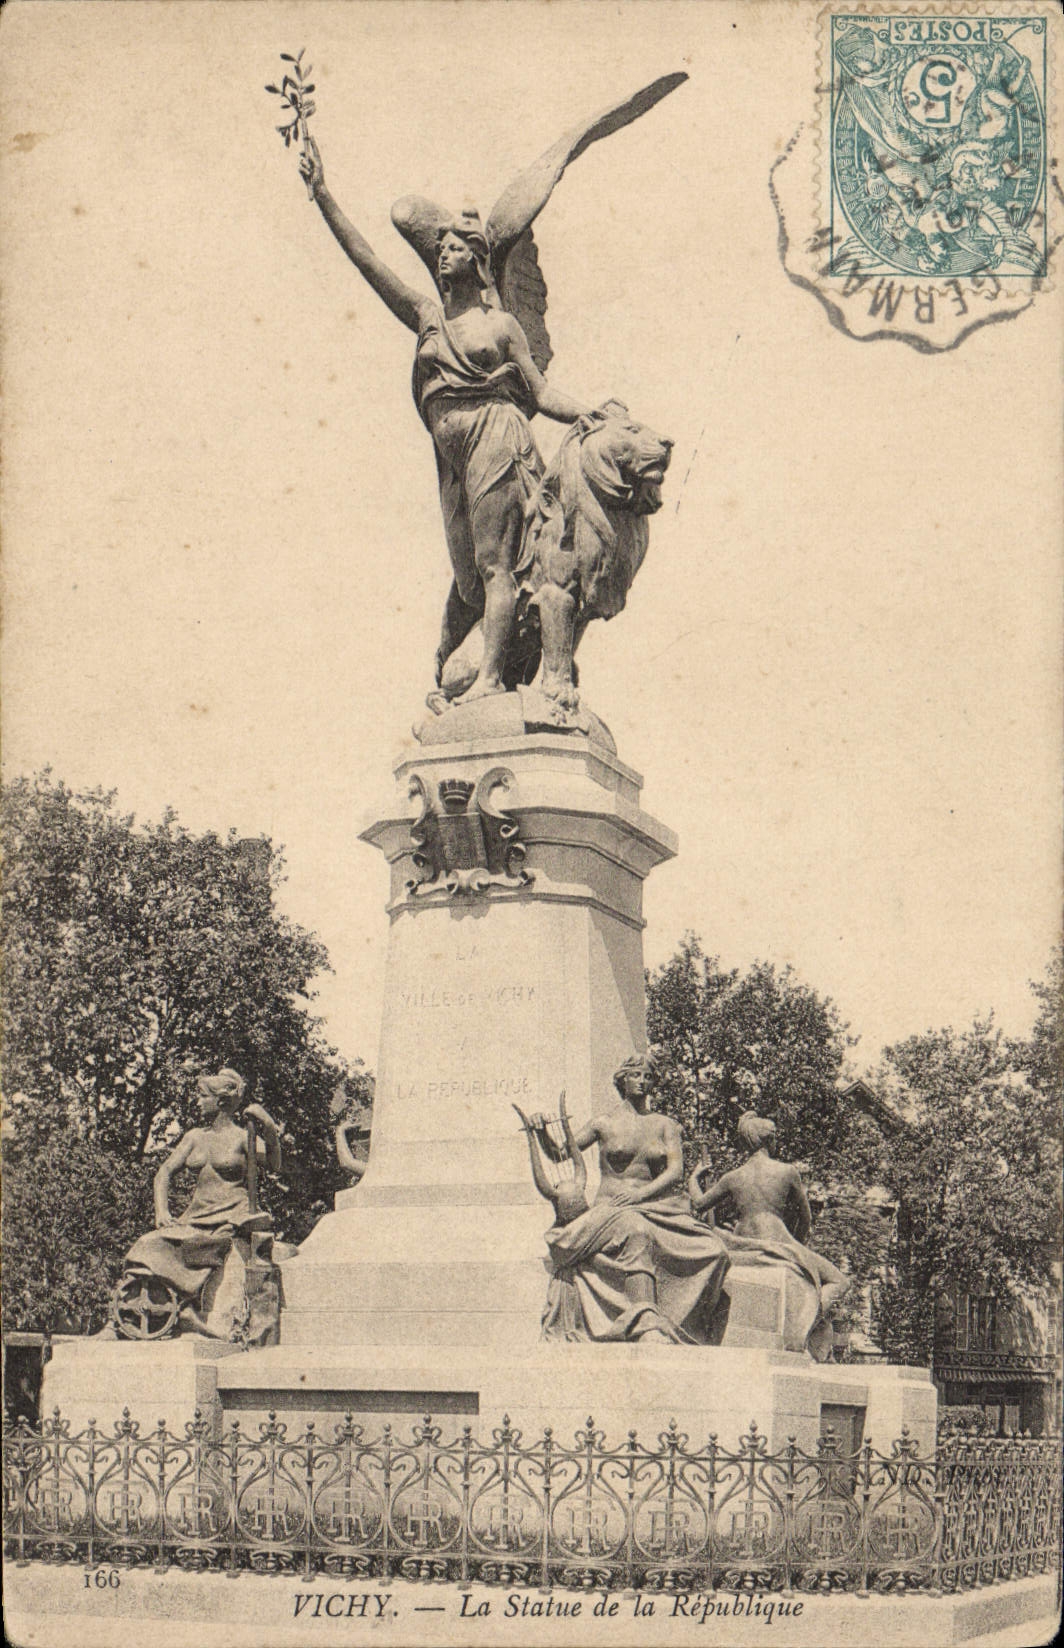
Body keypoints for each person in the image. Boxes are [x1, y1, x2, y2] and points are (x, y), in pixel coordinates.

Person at [298, 139, 591, 704]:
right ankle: (463, 672)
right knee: (468, 579)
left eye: (453, 249)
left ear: (476, 259)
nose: (442, 256)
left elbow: (541, 391)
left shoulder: (502, 325)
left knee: (494, 567)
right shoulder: (427, 316)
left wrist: (591, 411)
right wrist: (322, 195)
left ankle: (487, 682)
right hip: (452, 459)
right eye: (440, 251)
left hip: (498, 440)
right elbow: (368, 262)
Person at [516, 1056, 729, 1344]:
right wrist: (540, 1130)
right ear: (622, 1080)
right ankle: (645, 1321)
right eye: (636, 1075)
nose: (643, 1081)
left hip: (655, 1206)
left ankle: (689, 1327)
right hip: (612, 1209)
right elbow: (559, 1154)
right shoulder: (603, 1123)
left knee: (715, 1250)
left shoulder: (666, 1125)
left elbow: (675, 1171)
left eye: (648, 1076)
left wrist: (640, 1194)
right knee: (637, 1231)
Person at [117, 1068, 282, 1336]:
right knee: (149, 1242)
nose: (197, 1101)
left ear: (220, 1102)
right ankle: (128, 1317)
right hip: (194, 1217)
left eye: (202, 1096)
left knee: (205, 1247)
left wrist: (270, 1127)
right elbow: (163, 1174)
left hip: (231, 1217)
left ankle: (185, 1308)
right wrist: (162, 1211)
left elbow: (274, 1164)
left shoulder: (243, 1137)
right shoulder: (194, 1137)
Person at [688, 1113, 850, 1361]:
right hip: (778, 1239)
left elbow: (699, 1204)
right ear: (770, 1141)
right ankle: (801, 1328)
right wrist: (798, 1246)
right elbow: (805, 1218)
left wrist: (693, 1178)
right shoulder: (786, 1172)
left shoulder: (733, 1177)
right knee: (840, 1282)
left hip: (741, 1241)